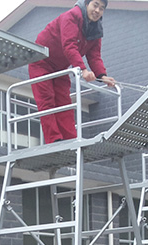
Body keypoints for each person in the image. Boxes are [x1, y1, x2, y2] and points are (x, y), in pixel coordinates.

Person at [29, 0, 117, 144]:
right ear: (86, 4)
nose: (97, 10)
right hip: (41, 61)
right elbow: (69, 45)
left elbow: (94, 56)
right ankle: (54, 139)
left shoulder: (96, 30)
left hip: (61, 66)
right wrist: (83, 70)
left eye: (101, 8)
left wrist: (103, 76)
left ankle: (71, 140)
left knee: (64, 101)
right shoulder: (71, 17)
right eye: (95, 5)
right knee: (47, 100)